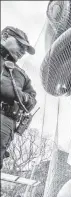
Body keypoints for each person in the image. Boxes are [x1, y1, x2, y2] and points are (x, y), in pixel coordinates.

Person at [1, 26, 37, 169]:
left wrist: (17, 93)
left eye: (25, 49)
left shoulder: (22, 75)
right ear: (4, 37)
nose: (23, 51)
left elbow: (32, 98)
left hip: (5, 124)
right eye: (20, 45)